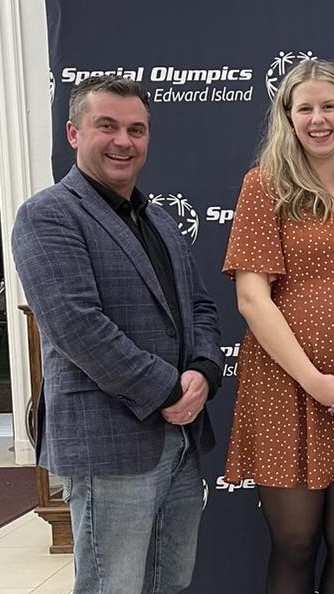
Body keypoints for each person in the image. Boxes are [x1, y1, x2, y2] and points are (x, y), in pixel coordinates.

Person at [11, 75, 223, 594]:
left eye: (136, 129)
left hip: (180, 442)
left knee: (169, 582)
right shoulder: (47, 215)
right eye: (107, 126)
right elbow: (76, 327)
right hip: (108, 443)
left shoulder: (161, 222)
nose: (123, 141)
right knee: (114, 586)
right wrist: (169, 389)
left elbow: (198, 307)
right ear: (73, 133)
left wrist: (203, 371)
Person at [221, 59, 334, 594]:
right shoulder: (265, 186)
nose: (318, 119)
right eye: (305, 108)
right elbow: (252, 299)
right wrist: (313, 380)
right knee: (295, 543)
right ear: (288, 117)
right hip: (286, 388)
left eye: (329, 106)